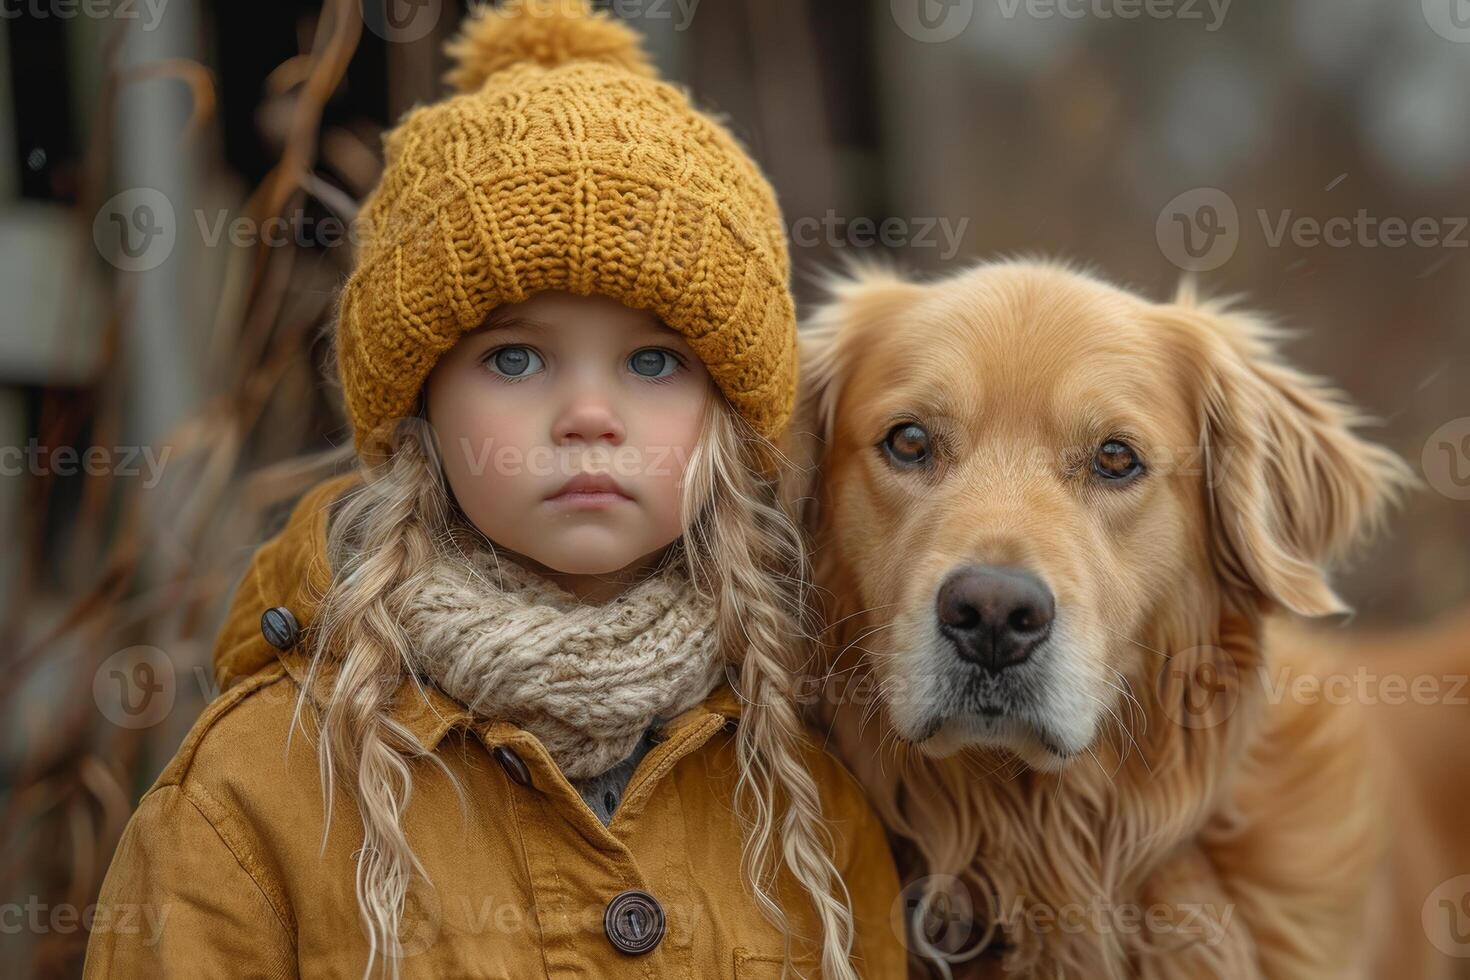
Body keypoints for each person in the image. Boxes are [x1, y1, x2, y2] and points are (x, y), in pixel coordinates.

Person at [83, 2, 904, 977]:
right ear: (422, 404)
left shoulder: (805, 804)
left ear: (727, 416)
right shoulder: (260, 791)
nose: (588, 414)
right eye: (515, 357)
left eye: (653, 362)